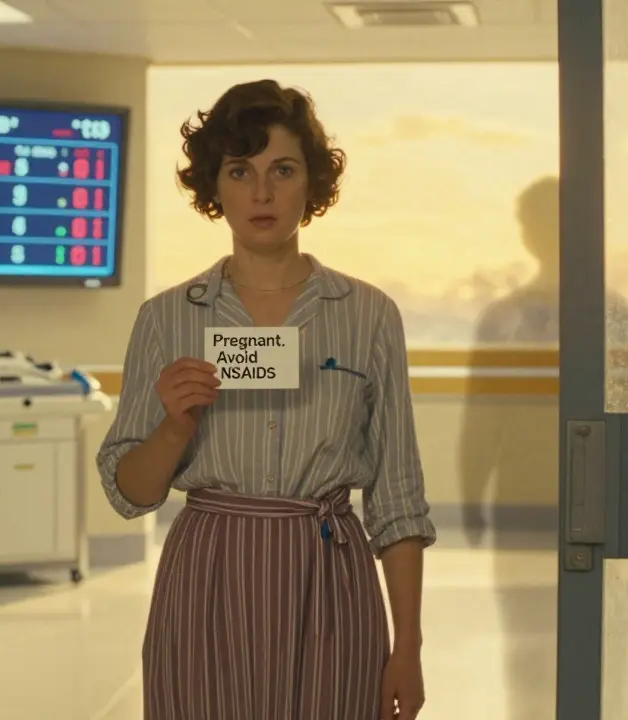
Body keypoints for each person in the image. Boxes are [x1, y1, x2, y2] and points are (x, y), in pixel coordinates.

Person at [96, 79, 436, 720]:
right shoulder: (167, 318)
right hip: (206, 580)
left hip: (330, 581)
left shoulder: (368, 315)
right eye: (239, 172)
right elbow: (129, 493)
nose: (261, 193)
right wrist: (173, 428)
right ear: (214, 187)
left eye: (282, 170)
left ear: (312, 184)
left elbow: (397, 497)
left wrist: (408, 646)